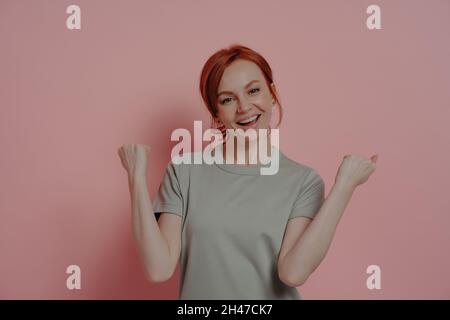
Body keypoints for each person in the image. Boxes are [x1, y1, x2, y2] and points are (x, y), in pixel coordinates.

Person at [117, 44, 378, 300]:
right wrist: (136, 178)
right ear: (216, 114)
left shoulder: (303, 182)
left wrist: (344, 185)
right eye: (228, 99)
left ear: (272, 95)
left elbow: (293, 273)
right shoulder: (184, 172)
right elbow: (158, 269)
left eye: (253, 91)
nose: (244, 107)